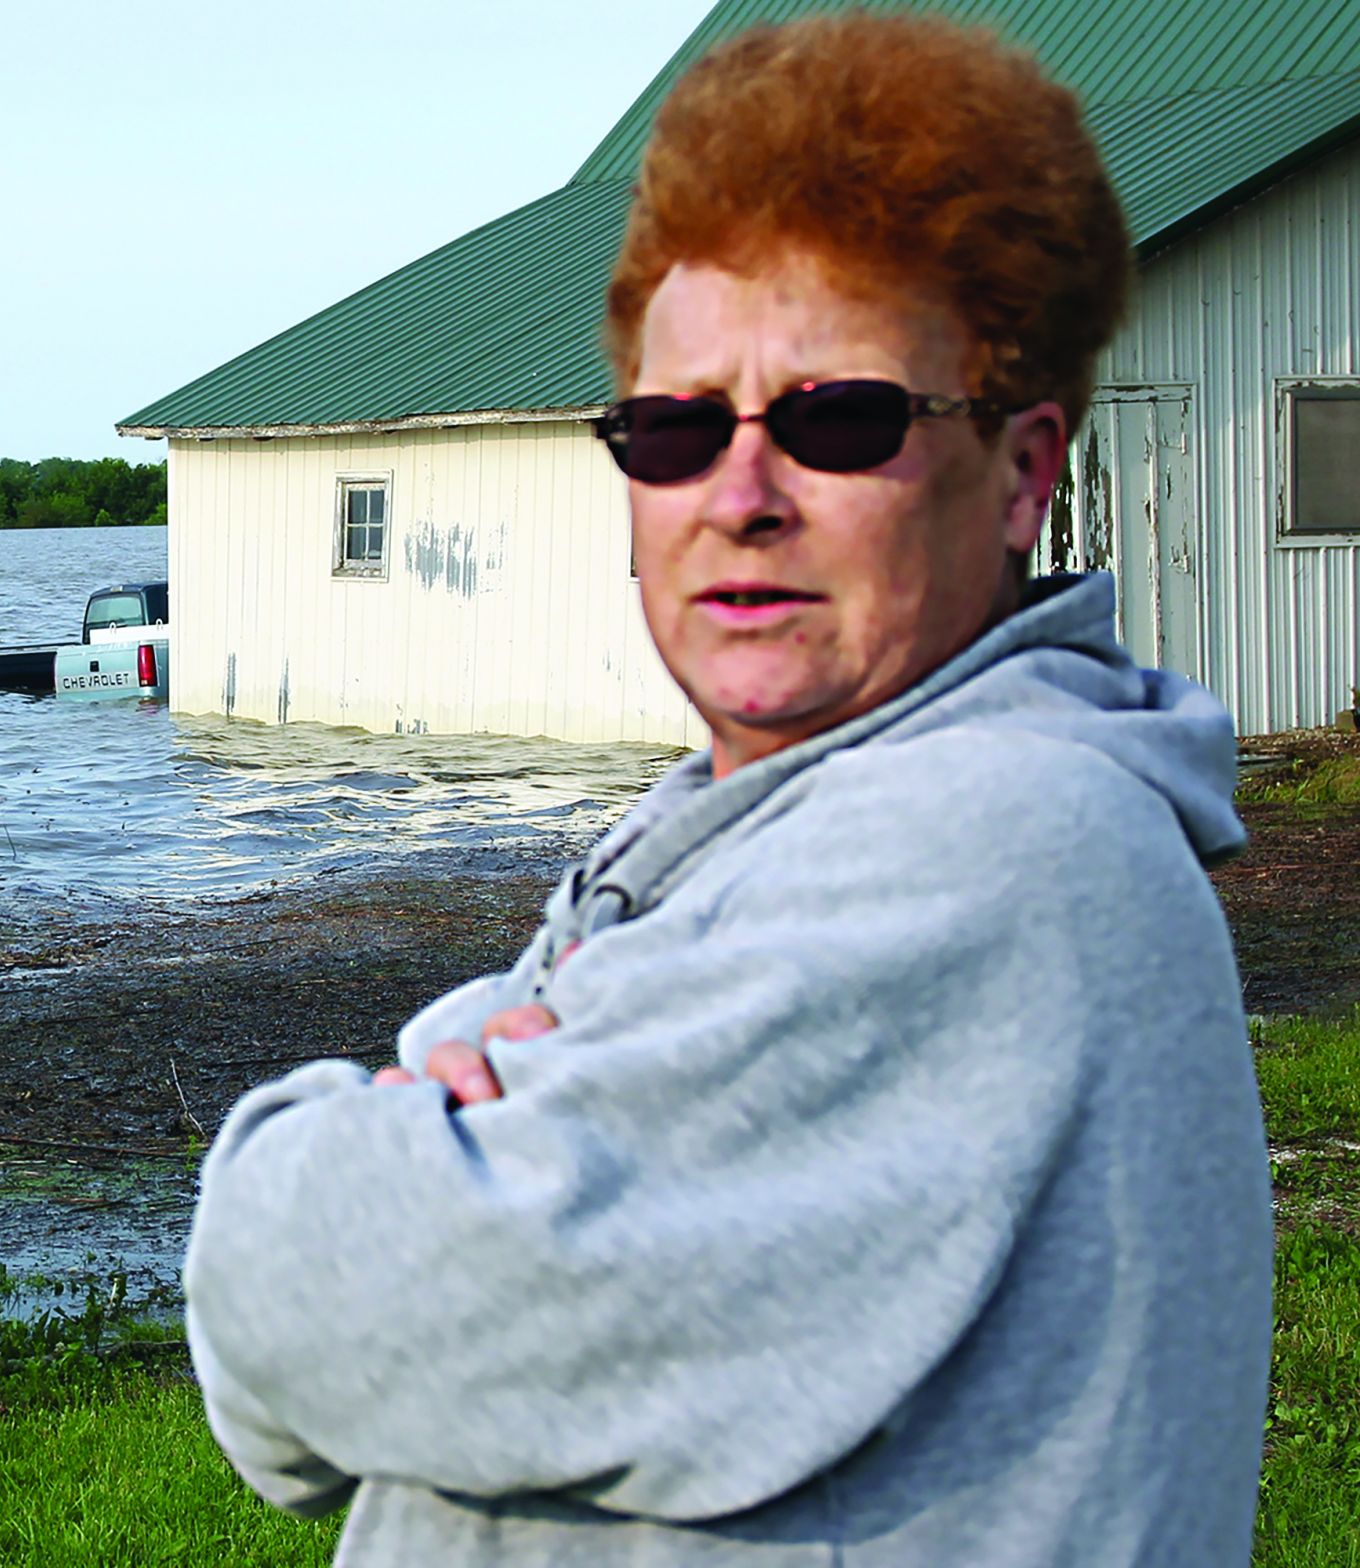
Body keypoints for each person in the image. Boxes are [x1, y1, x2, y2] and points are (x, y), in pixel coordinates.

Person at [181, 12, 1273, 1566]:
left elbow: (313, 1320)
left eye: (841, 419)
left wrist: (362, 1124)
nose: (742, 496)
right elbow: (292, 1400)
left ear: (1025, 470)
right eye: (677, 430)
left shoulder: (993, 842)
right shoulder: (753, 823)